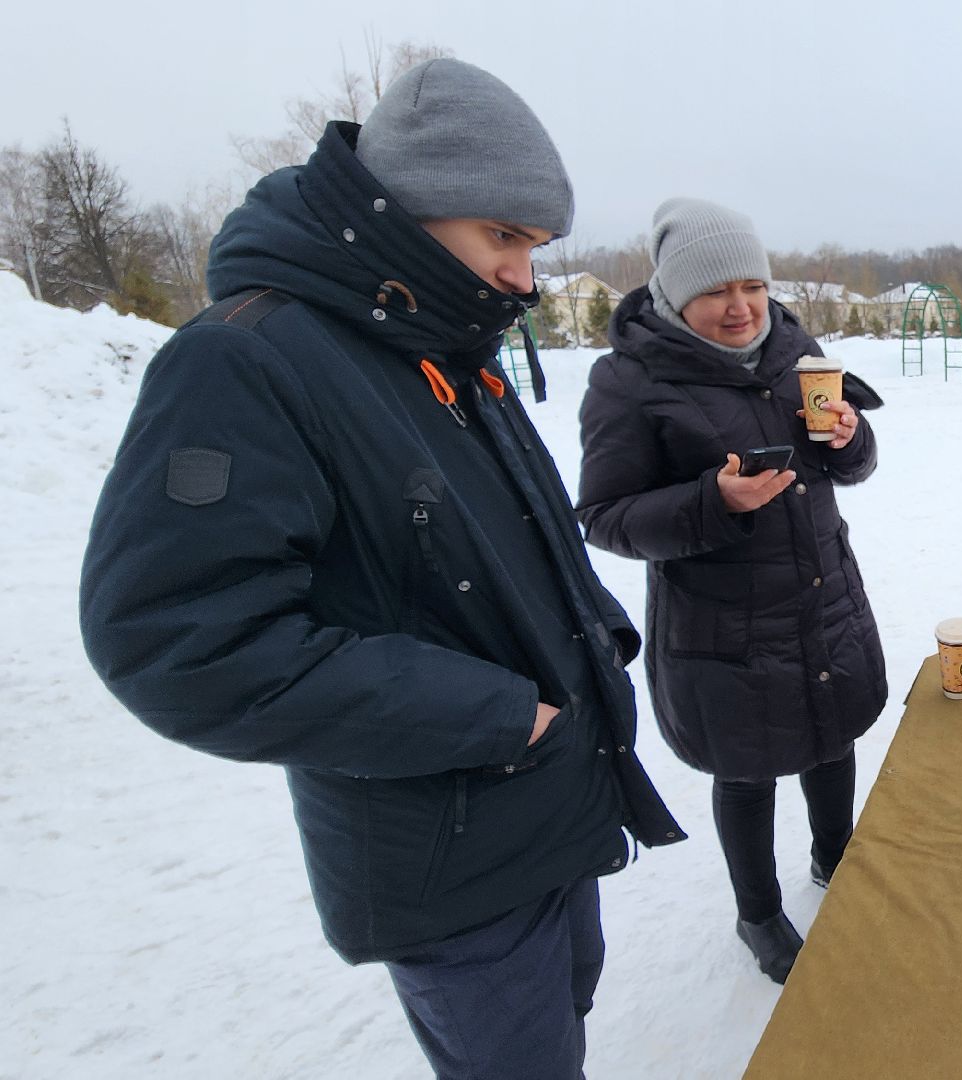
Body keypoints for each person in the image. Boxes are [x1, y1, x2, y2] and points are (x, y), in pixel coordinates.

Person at [77, 59, 684, 1079]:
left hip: (547, 800)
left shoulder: (444, 347)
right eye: (503, 237)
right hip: (447, 845)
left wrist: (596, 649)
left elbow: (509, 547)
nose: (523, 277)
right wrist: (500, 715)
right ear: (406, 210)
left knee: (566, 1019)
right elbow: (176, 642)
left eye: (534, 248)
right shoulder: (246, 360)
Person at [575, 198, 885, 984]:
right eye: (717, 290)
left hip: (821, 595)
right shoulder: (629, 383)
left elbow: (847, 467)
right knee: (747, 771)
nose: (741, 306)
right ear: (676, 295)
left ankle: (834, 855)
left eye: (753, 283)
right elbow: (605, 517)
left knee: (832, 738)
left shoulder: (797, 351)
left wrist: (853, 438)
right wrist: (713, 504)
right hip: (724, 627)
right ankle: (759, 916)